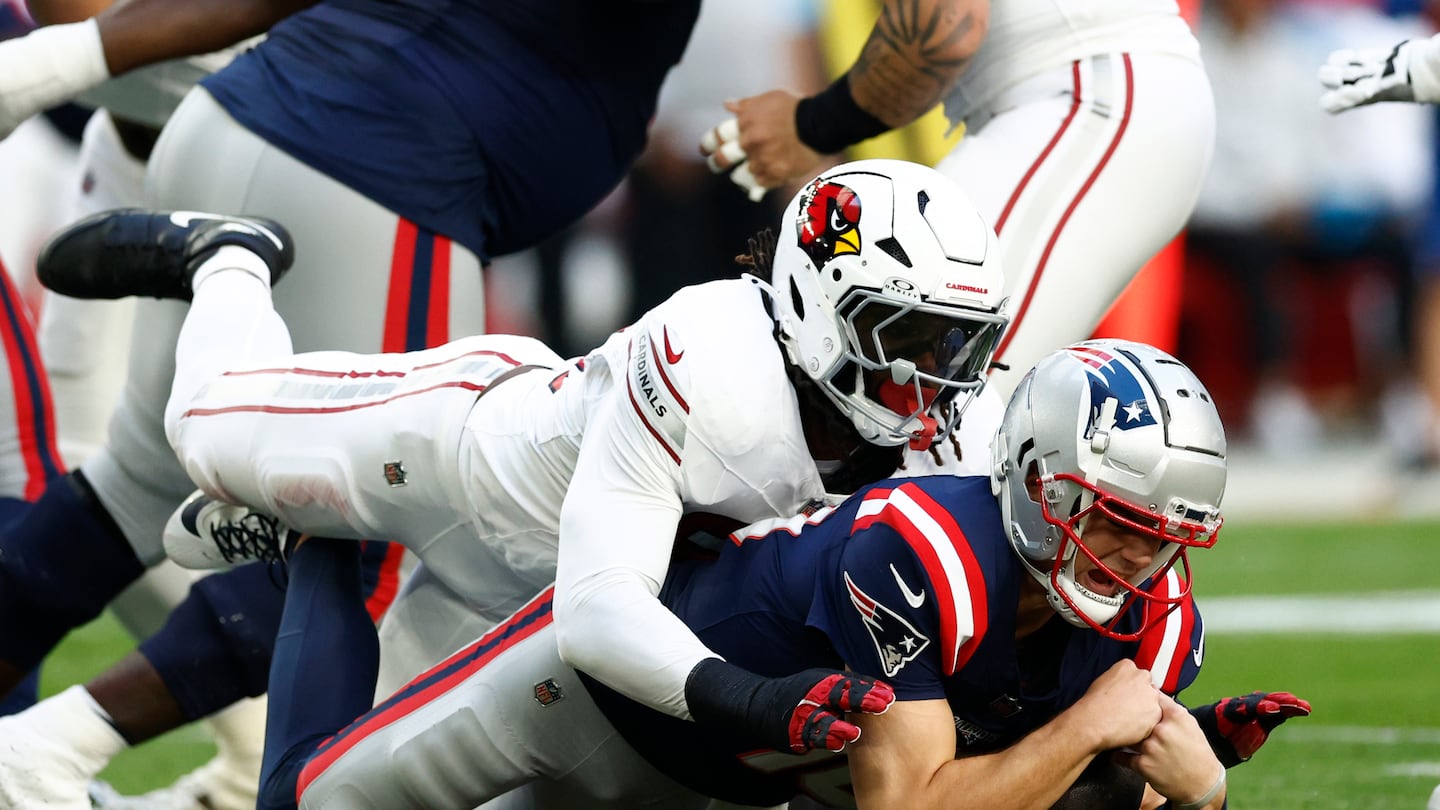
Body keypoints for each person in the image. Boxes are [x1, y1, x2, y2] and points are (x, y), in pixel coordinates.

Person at [34, 159, 1011, 782]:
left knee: (337, 782)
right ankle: (229, 260)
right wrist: (745, 698)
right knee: (203, 430)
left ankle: (300, 527)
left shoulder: (944, 434)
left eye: (955, 345)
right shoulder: (714, 360)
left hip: (529, 599)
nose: (932, 375)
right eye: (908, 335)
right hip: (459, 460)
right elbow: (601, 608)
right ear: (813, 300)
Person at [0, 0, 700, 800]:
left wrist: (61, 62)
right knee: (391, 542)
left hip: (245, 112)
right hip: (376, 164)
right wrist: (828, 115)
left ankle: (47, 750)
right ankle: (45, 749)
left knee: (139, 482)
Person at [220, 339, 1304, 808]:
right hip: (616, 696)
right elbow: (913, 805)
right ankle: (326, 541)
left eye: (1167, 535)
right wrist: (1084, 731)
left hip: (736, 783)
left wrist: (1198, 782)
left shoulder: (1156, 620)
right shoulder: (922, 549)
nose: (1141, 559)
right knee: (315, 804)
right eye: (1115, 522)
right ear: (1038, 482)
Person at [701, 0, 1214, 404]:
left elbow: (946, 26)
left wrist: (808, 126)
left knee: (927, 404)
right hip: (1077, 94)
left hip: (1089, 92)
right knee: (874, 377)